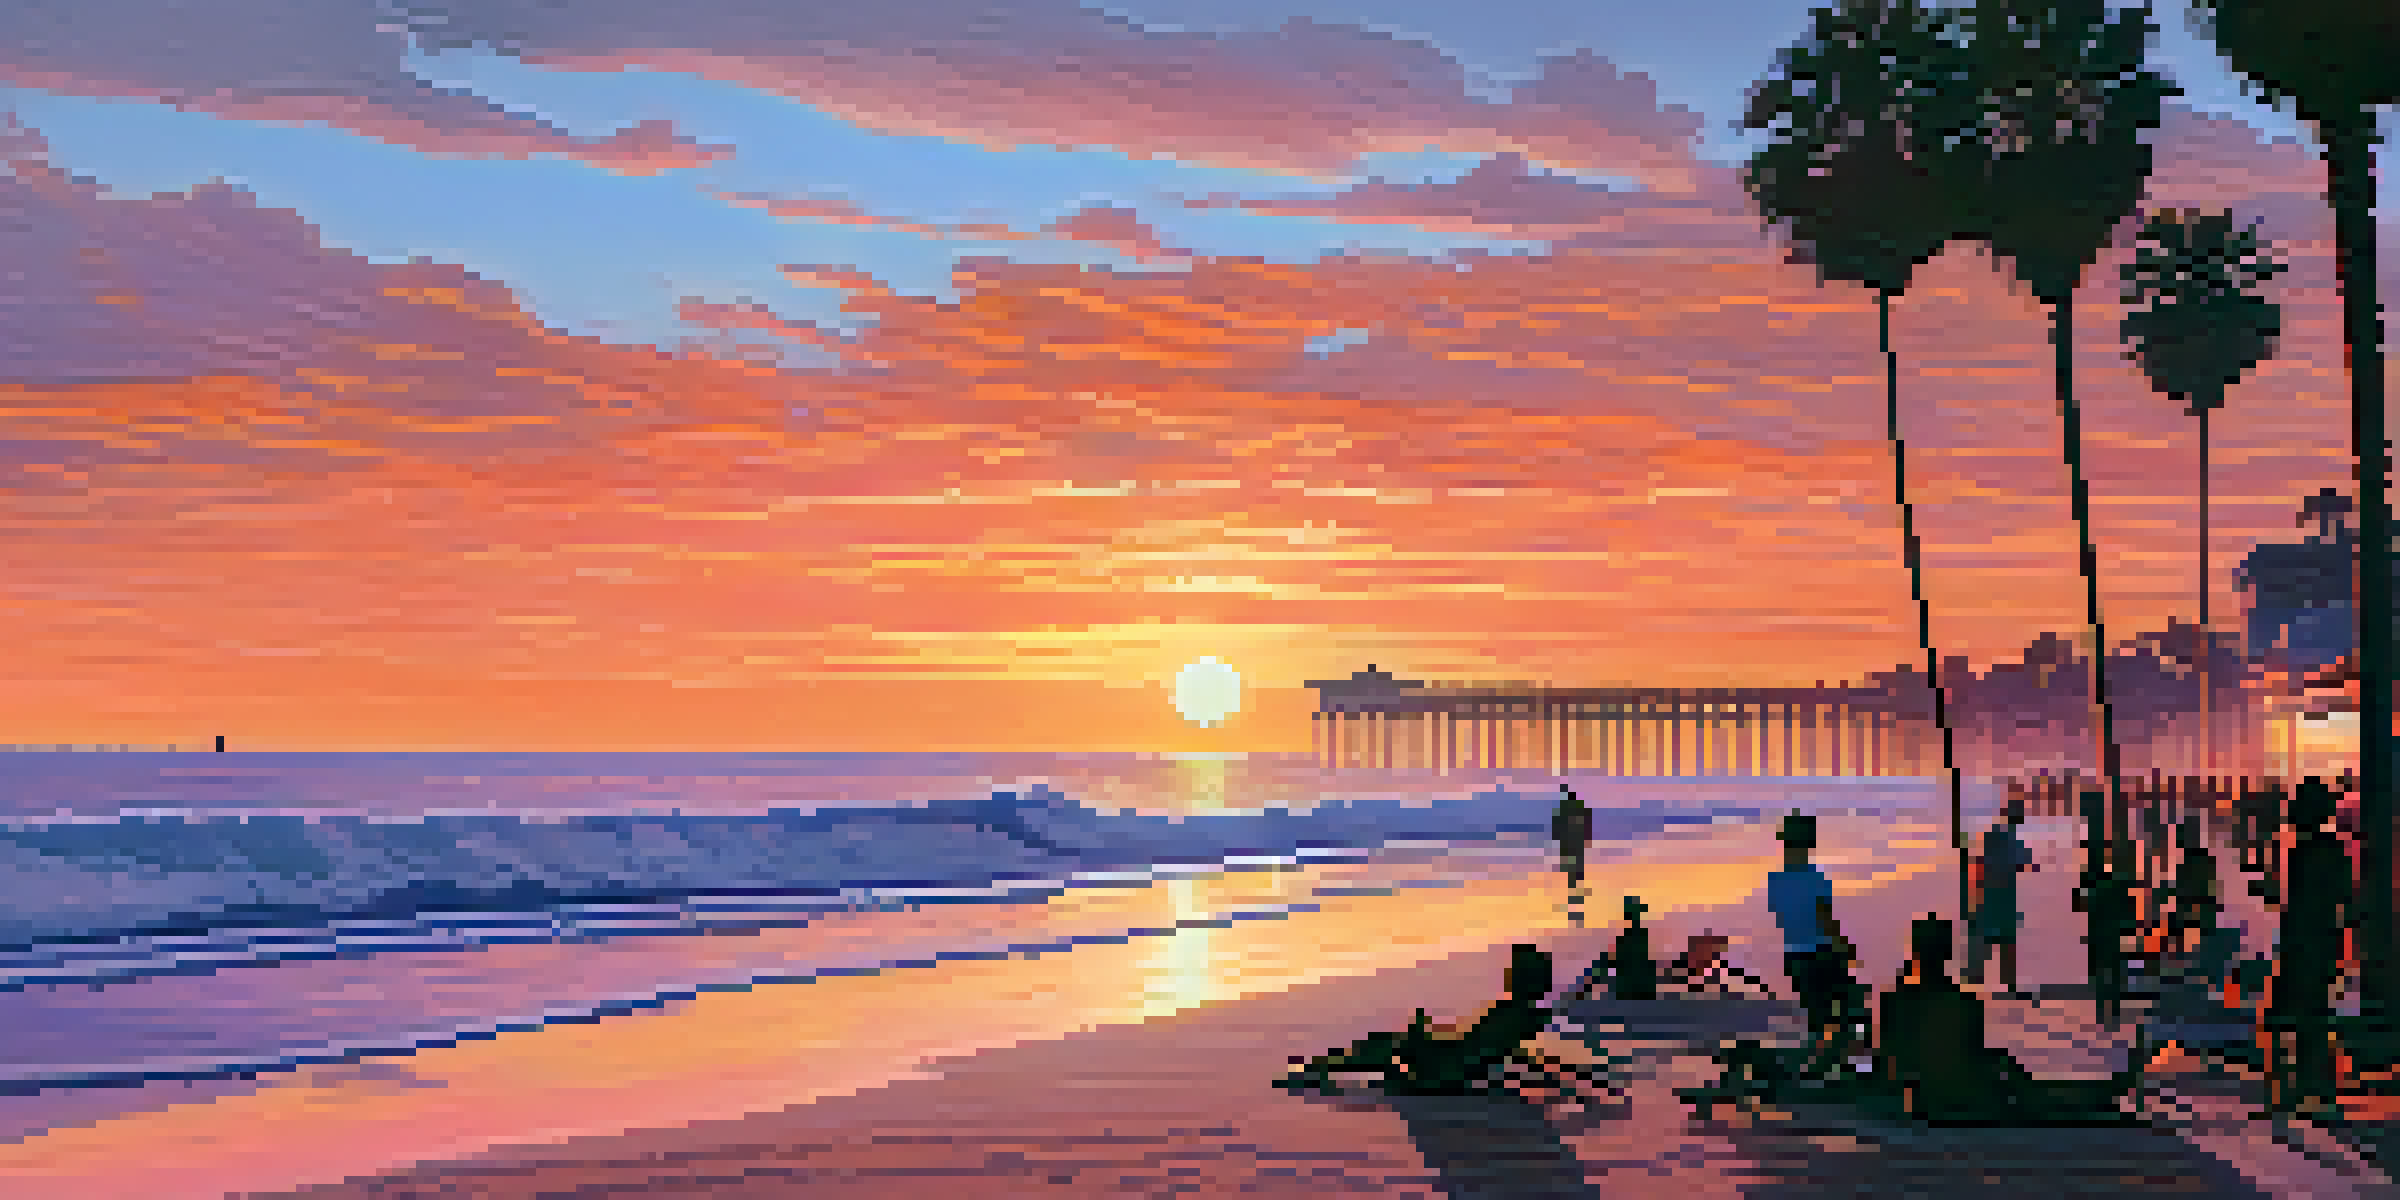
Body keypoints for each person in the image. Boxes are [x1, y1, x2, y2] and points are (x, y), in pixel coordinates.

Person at [1878, 916, 2145, 1126]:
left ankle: (2093, 1096)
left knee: (2016, 1078)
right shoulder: (1963, 1003)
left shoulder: (1896, 1001)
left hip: (1927, 1102)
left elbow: (1894, 1061)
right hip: (1959, 1101)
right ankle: (2095, 1097)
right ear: (1947, 955)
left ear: (1915, 953)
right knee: (2029, 1093)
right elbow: (1971, 1057)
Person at [2264, 777, 2354, 1120]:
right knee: (2310, 1016)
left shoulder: (2311, 852)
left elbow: (2302, 907)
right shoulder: (2327, 851)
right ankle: (2310, 1086)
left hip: (2308, 944)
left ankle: (2308, 1086)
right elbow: (2340, 901)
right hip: (2317, 942)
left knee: (2305, 1017)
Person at [1767, 813, 1859, 1071]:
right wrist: (1844, 946)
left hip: (1794, 954)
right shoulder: (1814, 878)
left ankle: (1820, 1063)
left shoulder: (1775, 881)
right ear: (1808, 844)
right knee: (1846, 1009)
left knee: (1816, 1014)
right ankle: (1845, 1064)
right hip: (1821, 952)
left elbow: (1783, 917)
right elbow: (1824, 917)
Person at [1966, 796, 2037, 997]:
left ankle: (1975, 979)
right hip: (2003, 897)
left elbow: (1980, 862)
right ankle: (2007, 983)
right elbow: (2024, 861)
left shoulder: (1993, 836)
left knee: (1986, 937)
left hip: (1989, 895)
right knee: (2005, 941)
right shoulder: (2011, 839)